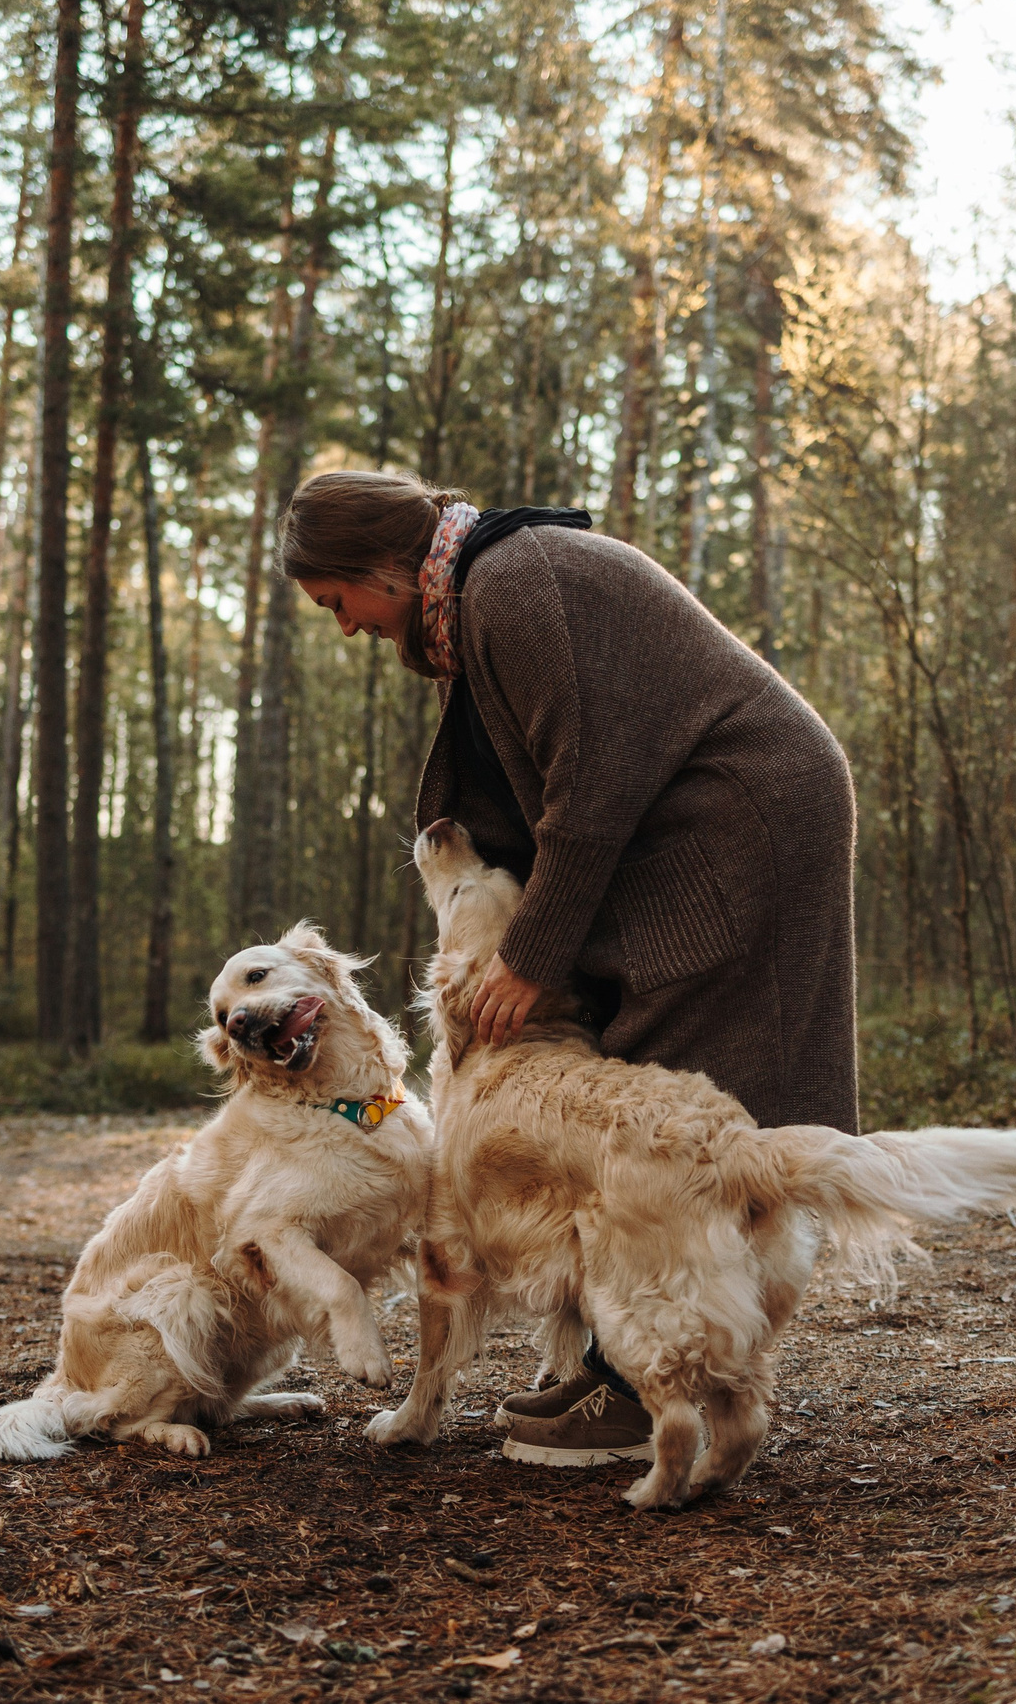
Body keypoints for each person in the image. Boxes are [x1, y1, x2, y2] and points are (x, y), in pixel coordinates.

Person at [280, 469, 860, 1466]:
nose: (345, 628)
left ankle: (648, 1386)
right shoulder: (483, 590)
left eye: (339, 604)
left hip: (735, 819)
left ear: (381, 564)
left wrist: (530, 956)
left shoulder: (513, 585)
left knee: (668, 1078)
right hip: (694, 823)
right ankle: (631, 1361)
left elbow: (587, 794)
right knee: (643, 1088)